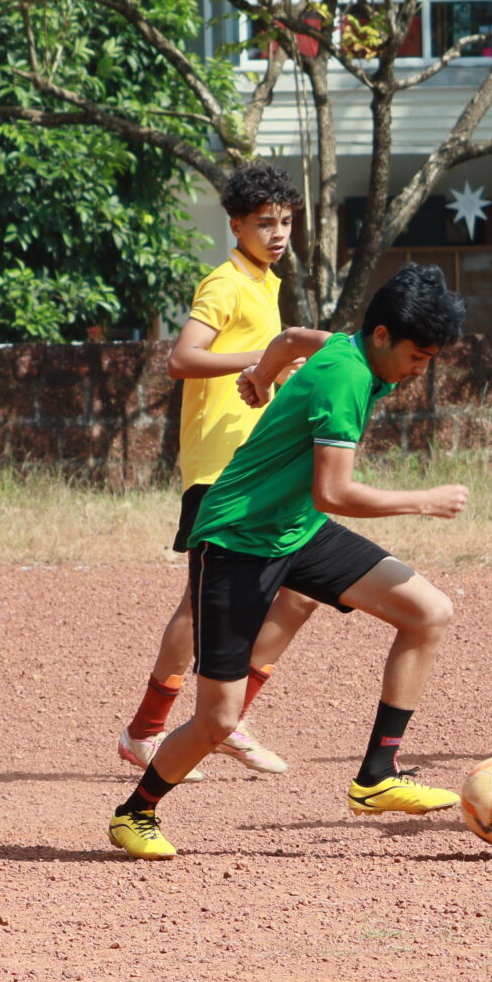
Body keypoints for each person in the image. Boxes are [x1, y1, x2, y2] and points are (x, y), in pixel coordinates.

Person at [108, 264, 473, 860]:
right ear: (382, 335)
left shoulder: (349, 347)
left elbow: (292, 337)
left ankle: (378, 775)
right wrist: (423, 501)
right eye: (417, 356)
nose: (420, 370)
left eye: (430, 359)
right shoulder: (346, 379)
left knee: (428, 612)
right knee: (217, 721)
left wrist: (259, 376)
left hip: (294, 531)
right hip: (235, 539)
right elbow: (334, 492)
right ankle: (135, 813)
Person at [116, 163, 331, 782]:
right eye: (265, 223)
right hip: (219, 468)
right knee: (202, 605)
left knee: (300, 590)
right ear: (236, 226)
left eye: (285, 221)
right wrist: (270, 355)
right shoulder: (225, 281)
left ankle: (220, 720)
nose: (278, 232)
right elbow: (182, 358)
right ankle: (148, 731)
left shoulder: (267, 282)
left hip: (260, 466)